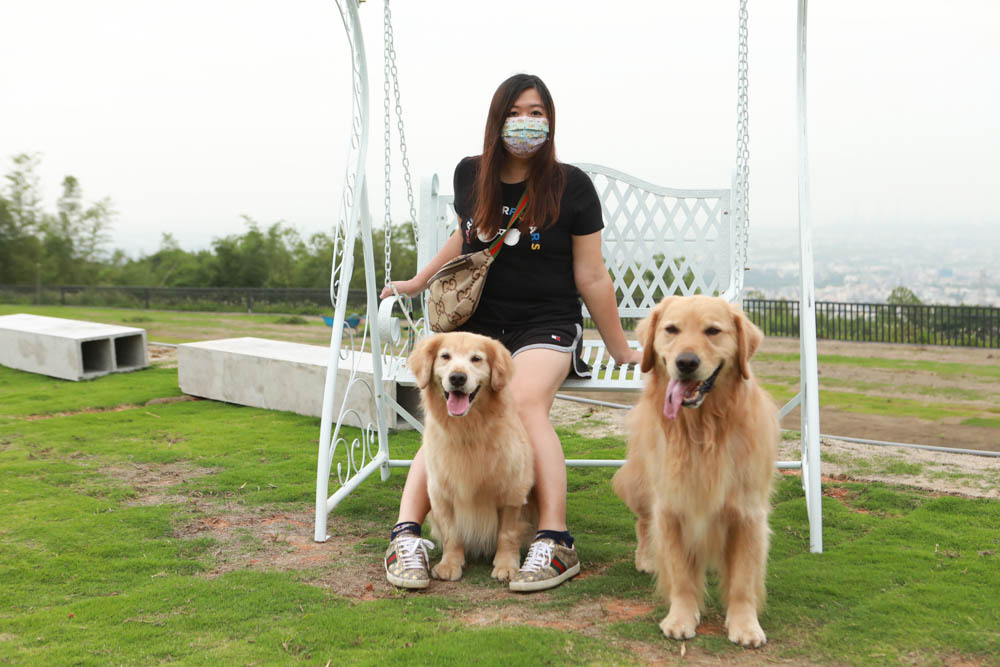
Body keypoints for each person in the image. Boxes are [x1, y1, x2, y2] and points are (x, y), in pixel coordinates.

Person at [379, 73, 642, 592]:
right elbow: (466, 236)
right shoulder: (471, 173)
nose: (526, 122)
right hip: (479, 325)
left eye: (537, 113)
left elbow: (591, 275)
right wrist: (417, 280)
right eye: (516, 112)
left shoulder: (573, 187)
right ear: (497, 120)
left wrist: (619, 348)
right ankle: (407, 532)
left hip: (546, 322)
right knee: (445, 409)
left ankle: (555, 540)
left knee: (521, 405)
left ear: (550, 122)